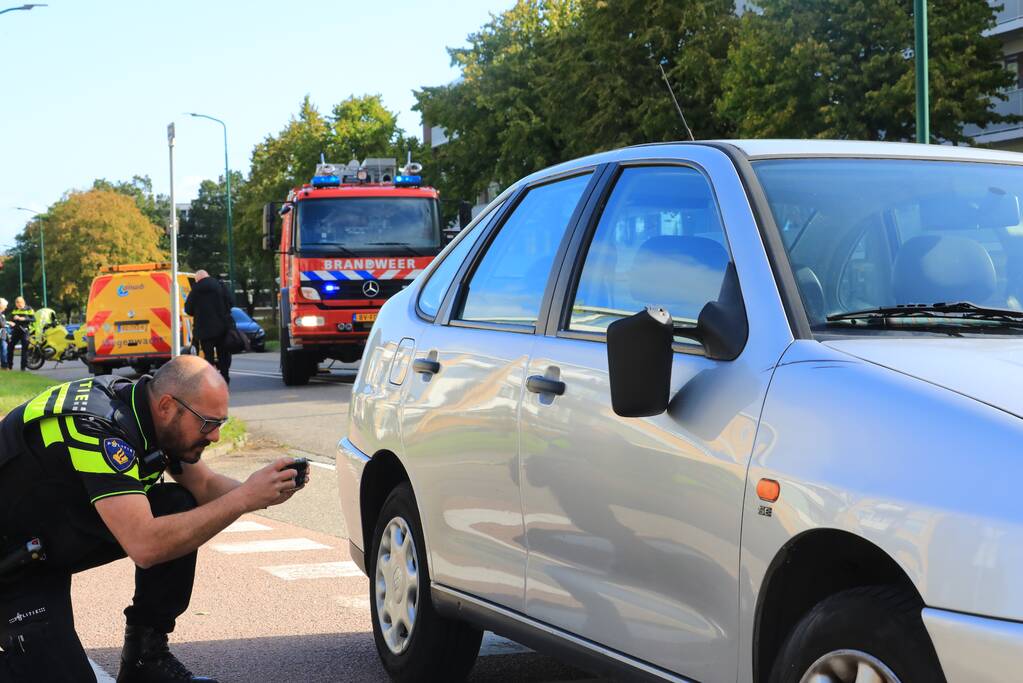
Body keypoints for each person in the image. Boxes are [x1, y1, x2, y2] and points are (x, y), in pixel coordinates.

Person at [0, 355, 309, 682]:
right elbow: (145, 544)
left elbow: (204, 486)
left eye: (221, 424)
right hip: (12, 562)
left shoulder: (151, 416)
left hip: (43, 540)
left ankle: (144, 661)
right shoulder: (96, 428)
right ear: (166, 406)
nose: (216, 436)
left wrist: (264, 491)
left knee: (178, 503)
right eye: (209, 424)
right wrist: (245, 497)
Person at [183, 271, 234, 384]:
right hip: (222, 328)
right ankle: (225, 379)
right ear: (208, 276)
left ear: (198, 279)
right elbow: (231, 302)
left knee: (208, 356)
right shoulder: (220, 286)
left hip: (204, 330)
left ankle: (211, 381)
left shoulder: (195, 290)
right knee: (223, 355)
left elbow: (188, 309)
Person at [6, 296, 33, 372]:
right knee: (10, 347)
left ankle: (23, 368)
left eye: (19, 303)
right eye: (17, 303)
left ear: (23, 302)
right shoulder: (15, 309)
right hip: (16, 330)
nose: (18, 305)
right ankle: (9, 366)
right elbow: (10, 318)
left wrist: (23, 318)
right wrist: (11, 321)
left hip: (25, 331)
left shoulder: (29, 309)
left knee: (24, 349)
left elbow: (33, 319)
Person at [0, 298, 9, 371]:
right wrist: (8, 323)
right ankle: (4, 366)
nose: (6, 307)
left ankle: (4, 366)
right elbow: (2, 324)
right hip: (1, 336)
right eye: (5, 305)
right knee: (4, 351)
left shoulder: (1, 314)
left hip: (2, 335)